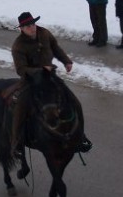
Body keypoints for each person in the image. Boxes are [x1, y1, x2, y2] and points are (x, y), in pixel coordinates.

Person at [10, 12, 91, 155]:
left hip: (50, 77)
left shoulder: (44, 33)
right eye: (27, 26)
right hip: (31, 81)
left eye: (32, 24)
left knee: (75, 102)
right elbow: (21, 69)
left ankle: (80, 137)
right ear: (21, 29)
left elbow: (55, 47)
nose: (32, 27)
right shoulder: (18, 46)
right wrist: (40, 70)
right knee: (20, 108)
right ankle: (16, 143)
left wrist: (66, 61)